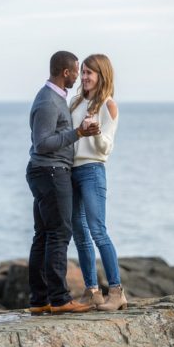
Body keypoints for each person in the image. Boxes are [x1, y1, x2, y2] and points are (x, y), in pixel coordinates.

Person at [27, 50, 100, 315]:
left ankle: (39, 300)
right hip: (50, 172)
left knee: (44, 235)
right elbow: (42, 143)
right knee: (58, 234)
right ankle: (59, 299)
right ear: (65, 73)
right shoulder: (48, 100)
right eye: (76, 71)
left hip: (47, 172)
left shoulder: (57, 98)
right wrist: (78, 133)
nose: (78, 76)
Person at [69, 54, 127, 311]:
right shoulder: (75, 102)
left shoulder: (108, 104)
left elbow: (107, 147)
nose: (84, 77)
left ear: (102, 74)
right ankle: (92, 291)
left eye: (89, 73)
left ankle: (116, 292)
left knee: (98, 231)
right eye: (82, 72)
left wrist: (95, 133)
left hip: (93, 170)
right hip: (71, 171)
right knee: (79, 234)